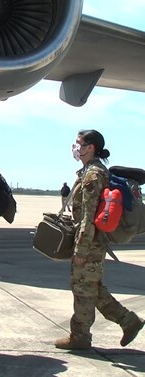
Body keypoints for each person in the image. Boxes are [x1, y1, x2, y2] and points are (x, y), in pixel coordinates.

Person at [54, 130, 145, 350]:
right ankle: (128, 321)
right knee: (92, 287)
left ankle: (80, 336)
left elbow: (88, 215)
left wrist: (81, 248)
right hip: (93, 240)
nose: (75, 147)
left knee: (83, 288)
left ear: (90, 147)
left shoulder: (93, 175)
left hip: (90, 241)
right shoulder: (92, 171)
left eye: (79, 143)